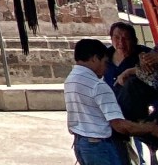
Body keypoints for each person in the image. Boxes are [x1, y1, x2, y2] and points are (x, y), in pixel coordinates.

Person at [65, 37, 158, 165]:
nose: (106, 67)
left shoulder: (71, 79)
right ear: (94, 58)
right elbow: (120, 126)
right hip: (101, 148)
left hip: (82, 144)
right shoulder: (97, 86)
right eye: (105, 62)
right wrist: (150, 128)